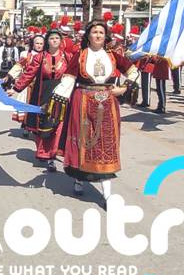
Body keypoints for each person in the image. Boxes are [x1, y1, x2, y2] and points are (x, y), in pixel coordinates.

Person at [47, 20, 138, 199]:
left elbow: (133, 71)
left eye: (101, 32)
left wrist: (124, 88)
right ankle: (79, 179)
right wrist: (56, 100)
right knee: (83, 142)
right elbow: (69, 79)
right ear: (88, 35)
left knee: (106, 144)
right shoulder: (80, 55)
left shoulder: (113, 56)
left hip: (108, 103)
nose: (98, 35)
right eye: (94, 32)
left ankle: (107, 193)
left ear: (106, 36)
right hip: (82, 101)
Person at [12, 30, 69, 172]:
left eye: (57, 38)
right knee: (43, 126)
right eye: (51, 38)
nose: (54, 40)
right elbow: (29, 73)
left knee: (58, 126)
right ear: (47, 41)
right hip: (43, 94)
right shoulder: (40, 57)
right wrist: (16, 88)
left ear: (61, 41)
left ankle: (52, 157)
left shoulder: (67, 57)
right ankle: (43, 152)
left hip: (62, 94)